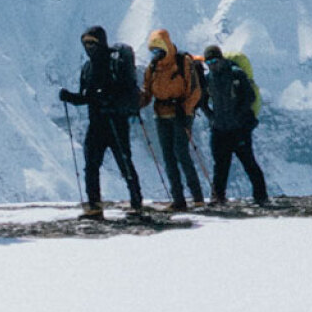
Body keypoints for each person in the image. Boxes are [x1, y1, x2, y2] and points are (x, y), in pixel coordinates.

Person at [59, 25, 145, 217]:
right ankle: (97, 204)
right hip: (102, 122)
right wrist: (70, 97)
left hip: (114, 120)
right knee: (93, 164)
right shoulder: (89, 68)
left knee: (121, 162)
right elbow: (86, 97)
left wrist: (100, 97)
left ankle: (133, 201)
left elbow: (123, 89)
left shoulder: (106, 65)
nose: (88, 47)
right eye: (86, 43)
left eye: (92, 42)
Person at [140, 28, 205, 210]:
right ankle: (179, 199)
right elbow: (147, 92)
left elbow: (195, 90)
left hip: (180, 114)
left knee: (181, 153)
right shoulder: (153, 68)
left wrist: (185, 110)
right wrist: (137, 102)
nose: (155, 54)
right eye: (153, 51)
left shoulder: (183, 62)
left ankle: (197, 196)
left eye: (158, 50)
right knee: (168, 157)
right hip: (162, 115)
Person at [201, 43, 271, 208]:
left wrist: (238, 117)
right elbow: (202, 101)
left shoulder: (236, 74)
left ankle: (261, 196)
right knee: (221, 165)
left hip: (238, 129)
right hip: (220, 128)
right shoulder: (208, 79)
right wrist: (211, 117)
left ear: (221, 59)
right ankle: (218, 197)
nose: (212, 66)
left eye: (214, 61)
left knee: (248, 162)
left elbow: (250, 97)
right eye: (208, 63)